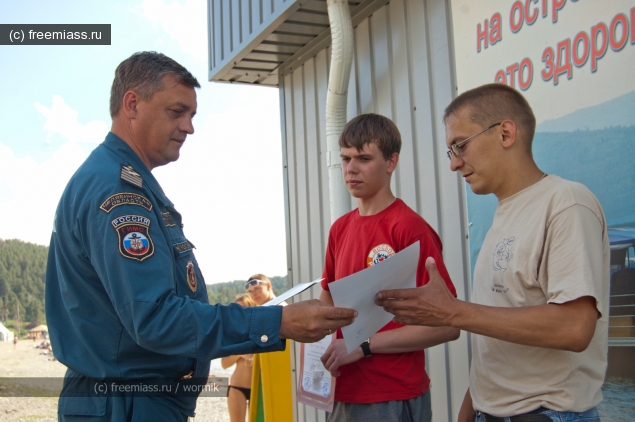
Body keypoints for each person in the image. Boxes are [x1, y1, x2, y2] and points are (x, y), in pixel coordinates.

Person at [45, 51, 357, 422]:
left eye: (191, 115)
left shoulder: (124, 179)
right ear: (132, 104)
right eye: (176, 112)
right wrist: (279, 322)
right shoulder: (117, 189)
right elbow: (155, 318)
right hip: (125, 405)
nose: (188, 127)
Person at [376, 83, 609, 422]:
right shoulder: (504, 215)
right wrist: (470, 410)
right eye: (450, 151)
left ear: (505, 133)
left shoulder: (566, 203)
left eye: (461, 145)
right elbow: (501, 332)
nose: (455, 164)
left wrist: (452, 312)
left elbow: (575, 327)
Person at [318, 114, 460, 422]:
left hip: (392, 396)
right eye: (345, 158)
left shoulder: (409, 229)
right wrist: (308, 323)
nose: (351, 168)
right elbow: (328, 299)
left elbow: (448, 324)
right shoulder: (339, 229)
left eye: (364, 158)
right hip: (341, 391)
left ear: (391, 161)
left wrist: (363, 346)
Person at [221, 294, 257, 422]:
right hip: (237, 387)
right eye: (235, 310)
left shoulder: (260, 331)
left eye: (243, 309)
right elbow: (224, 364)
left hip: (258, 388)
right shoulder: (233, 334)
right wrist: (239, 354)